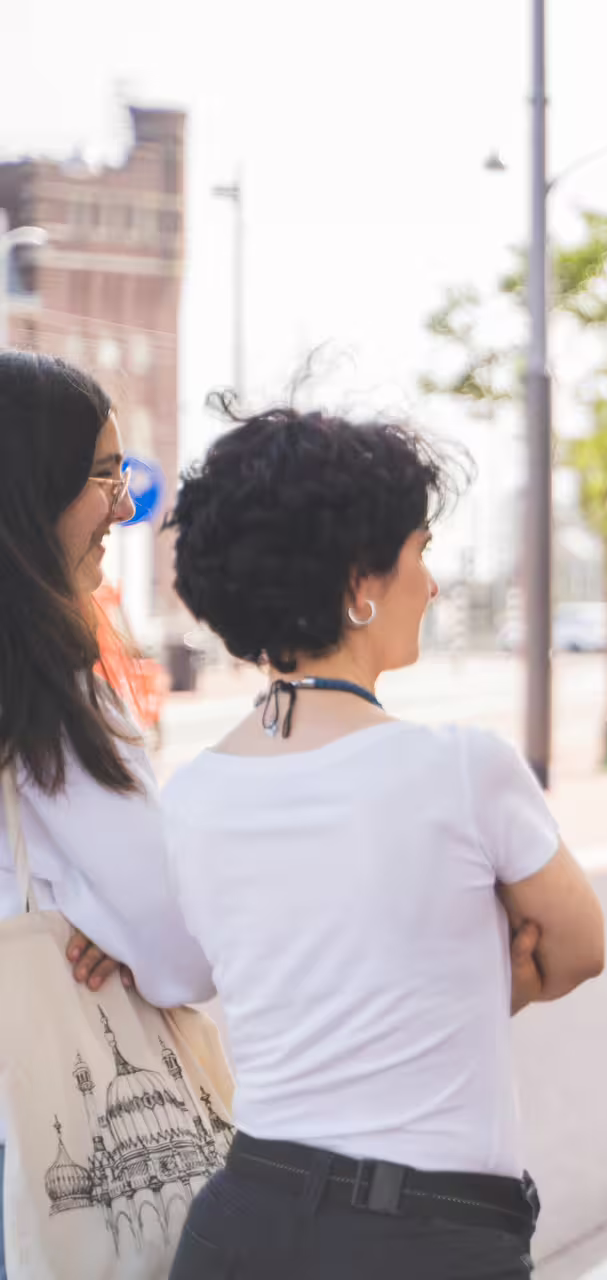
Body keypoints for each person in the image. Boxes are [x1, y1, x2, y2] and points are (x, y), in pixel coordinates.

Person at [160, 406, 607, 1280]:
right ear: (362, 581)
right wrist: (460, 987)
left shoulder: (192, 794)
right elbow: (580, 950)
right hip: (423, 1238)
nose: (432, 586)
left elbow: (193, 974)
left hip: (241, 1221)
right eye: (422, 551)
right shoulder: (462, 768)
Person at [0, 352, 220, 1276]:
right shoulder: (52, 691)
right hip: (36, 1133)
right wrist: (102, 924)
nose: (124, 507)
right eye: (101, 476)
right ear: (26, 484)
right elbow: (180, 943)